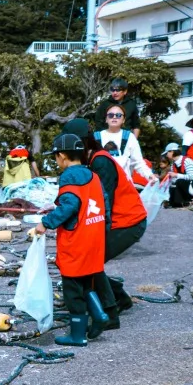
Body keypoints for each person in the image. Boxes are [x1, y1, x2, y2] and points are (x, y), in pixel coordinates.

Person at [62, 118, 147, 320]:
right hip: (115, 221)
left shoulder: (101, 161)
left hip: (128, 222)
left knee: (90, 261)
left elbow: (102, 201)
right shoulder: (90, 161)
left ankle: (110, 308)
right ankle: (119, 297)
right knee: (89, 261)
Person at [37, 133, 114, 346]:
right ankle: (99, 315)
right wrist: (103, 230)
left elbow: (70, 206)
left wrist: (46, 222)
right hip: (94, 239)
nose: (56, 161)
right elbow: (104, 205)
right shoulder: (94, 176)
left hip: (76, 243)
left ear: (62, 156)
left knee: (72, 291)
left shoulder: (69, 177)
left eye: (55, 157)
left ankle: (77, 335)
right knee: (86, 284)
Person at [95, 104, 153, 188]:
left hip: (123, 186)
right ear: (106, 119)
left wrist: (150, 176)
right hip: (101, 186)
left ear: (123, 120)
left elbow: (138, 162)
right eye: (110, 115)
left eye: (118, 115)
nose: (114, 117)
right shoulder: (96, 137)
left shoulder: (130, 137)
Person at [163, 142, 193, 208]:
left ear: (172, 152)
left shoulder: (187, 161)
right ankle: (176, 202)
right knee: (172, 185)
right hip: (186, 184)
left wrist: (176, 175)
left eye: (167, 153)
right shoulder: (173, 164)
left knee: (179, 181)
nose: (166, 155)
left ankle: (188, 200)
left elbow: (192, 177)